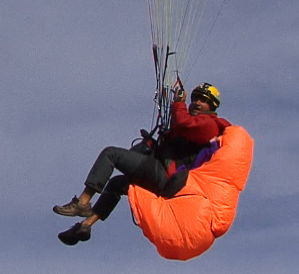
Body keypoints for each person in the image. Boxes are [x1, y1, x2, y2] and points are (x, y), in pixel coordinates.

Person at [53, 82, 231, 246]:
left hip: (169, 178)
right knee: (117, 183)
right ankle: (85, 225)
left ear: (212, 107)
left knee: (111, 154)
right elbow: (182, 130)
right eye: (195, 99)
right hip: (166, 175)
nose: (197, 103)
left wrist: (178, 103)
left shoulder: (209, 125)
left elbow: (185, 122)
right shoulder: (193, 125)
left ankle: (82, 203)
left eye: (204, 101)